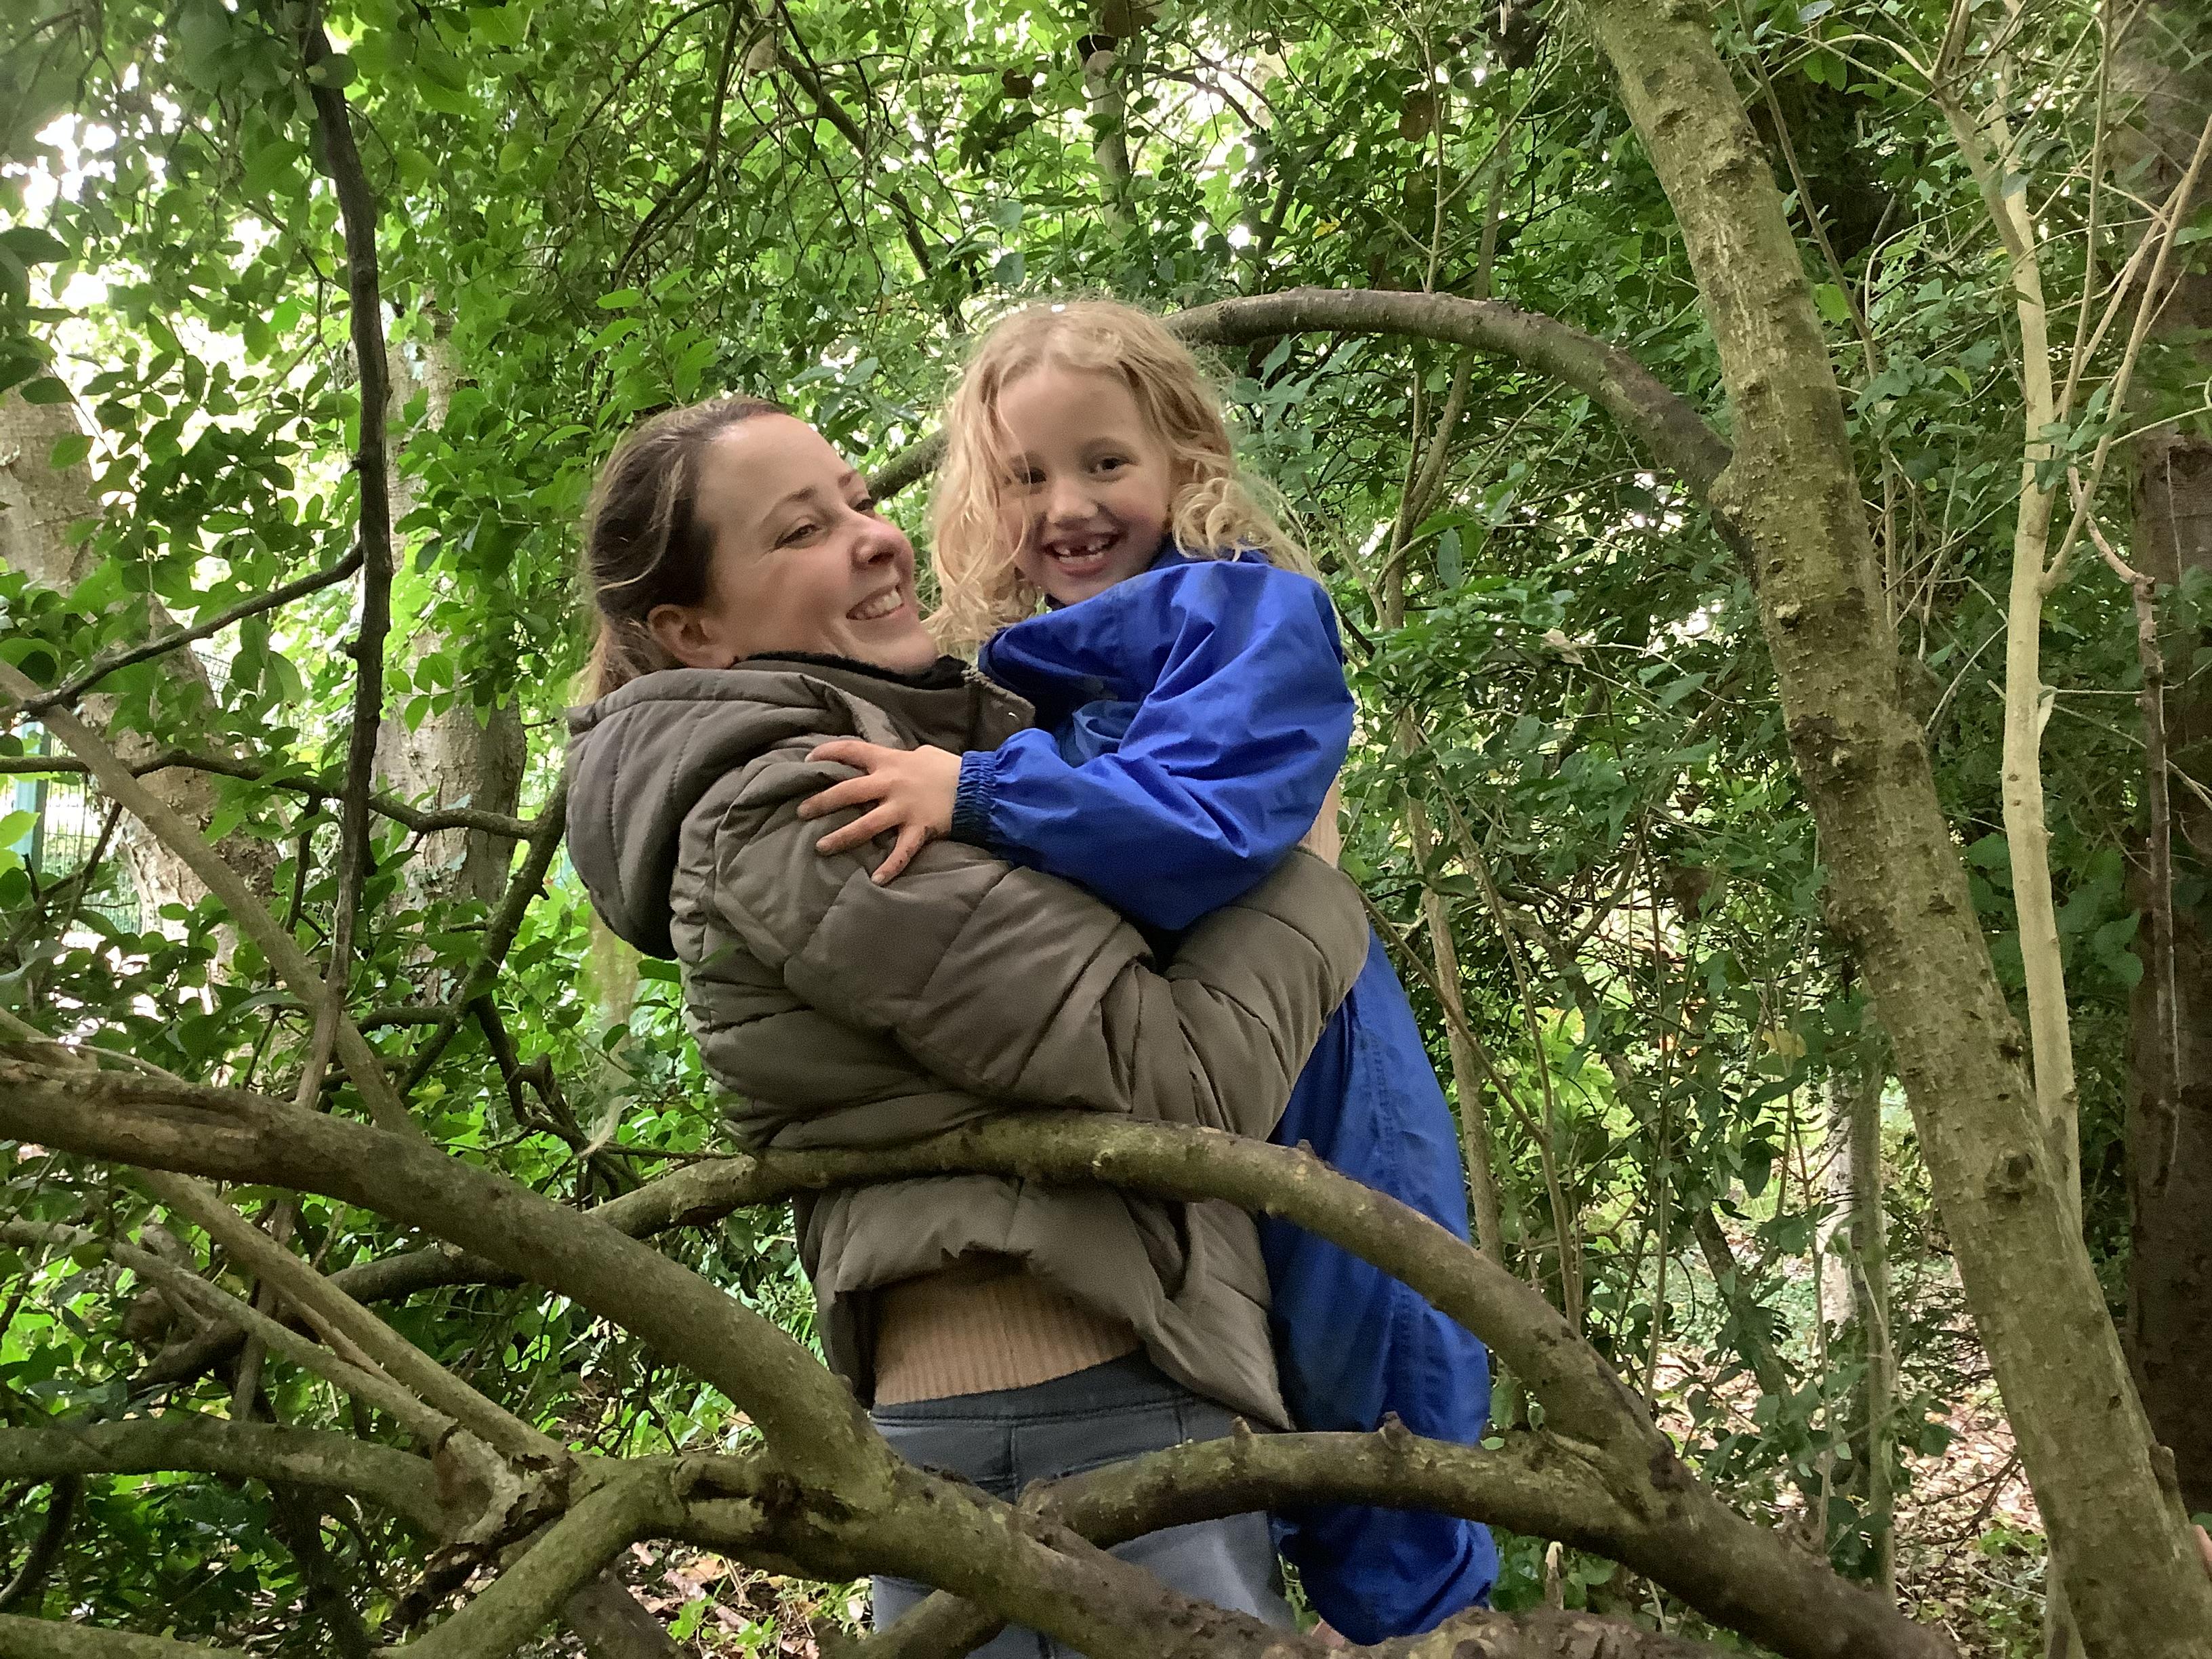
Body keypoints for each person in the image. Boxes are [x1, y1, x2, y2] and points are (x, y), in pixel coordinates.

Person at [563, 395, 1374, 1657]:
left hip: (1075, 1413)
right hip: (1062, 1426)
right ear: (693, 631)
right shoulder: (799, 812)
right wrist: (1309, 871)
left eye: (857, 498)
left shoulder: (908, 756)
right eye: (802, 531)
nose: (875, 537)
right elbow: (1178, 1076)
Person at [799, 300, 1498, 1644]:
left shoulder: (1251, 616)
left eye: (1105, 462)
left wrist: (979, 793)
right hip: (1180, 1096)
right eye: (1026, 477)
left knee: (1379, 1374)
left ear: (1185, 459)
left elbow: (1203, 826)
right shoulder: (1006, 673)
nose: (1068, 506)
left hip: (1320, 1063)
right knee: (1244, 1401)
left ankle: (1425, 1632)